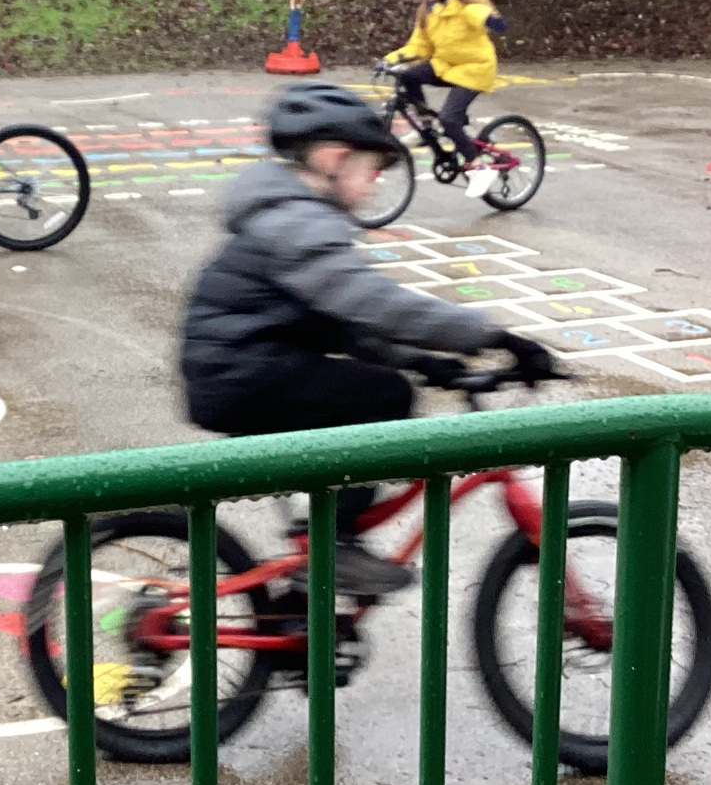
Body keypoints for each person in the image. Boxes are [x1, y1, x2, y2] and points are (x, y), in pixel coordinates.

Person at [180, 81, 557, 595]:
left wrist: (424, 361)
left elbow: (341, 325)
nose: (376, 184)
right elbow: (372, 302)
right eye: (373, 169)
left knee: (377, 386)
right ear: (334, 159)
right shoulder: (296, 219)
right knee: (381, 395)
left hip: (247, 369)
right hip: (241, 376)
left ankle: (317, 560)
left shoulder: (289, 211)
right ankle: (332, 547)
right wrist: (494, 336)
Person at [383, 0, 507, 162]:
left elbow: (482, 14)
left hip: (474, 70)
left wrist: (491, 19)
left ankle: (478, 166)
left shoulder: (467, 7)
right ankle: (425, 127)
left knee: (449, 120)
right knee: (408, 76)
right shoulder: (429, 10)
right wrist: (389, 60)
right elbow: (419, 47)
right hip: (446, 65)